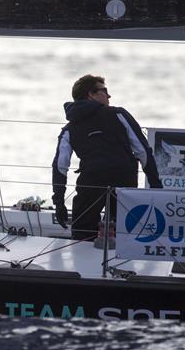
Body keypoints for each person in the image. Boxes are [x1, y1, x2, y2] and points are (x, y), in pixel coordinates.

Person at [51, 74, 162, 240]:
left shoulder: (70, 127)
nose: (109, 96)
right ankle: (120, 263)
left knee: (82, 234)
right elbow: (142, 151)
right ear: (91, 94)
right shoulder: (118, 114)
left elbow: (60, 165)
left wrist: (59, 202)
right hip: (123, 181)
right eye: (105, 91)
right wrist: (155, 185)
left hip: (91, 182)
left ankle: (83, 263)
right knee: (123, 234)